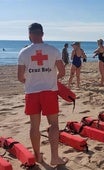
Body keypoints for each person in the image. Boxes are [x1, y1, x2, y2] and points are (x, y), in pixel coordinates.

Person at [17, 23, 67, 167]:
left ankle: (38, 156)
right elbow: (62, 72)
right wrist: (52, 78)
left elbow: (20, 77)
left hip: (32, 93)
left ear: (29, 35)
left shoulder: (24, 53)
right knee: (54, 124)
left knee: (34, 126)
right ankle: (55, 158)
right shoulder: (53, 50)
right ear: (42, 34)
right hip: (49, 92)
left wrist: (31, 80)